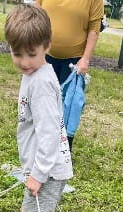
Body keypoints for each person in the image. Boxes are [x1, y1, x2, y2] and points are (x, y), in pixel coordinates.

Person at [2, 4, 73, 212]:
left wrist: (38, 175)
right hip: (42, 169)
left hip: (47, 171)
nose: (24, 61)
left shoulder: (42, 83)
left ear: (47, 46)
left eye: (31, 54)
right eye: (17, 54)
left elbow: (48, 135)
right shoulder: (35, 74)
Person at [36, 0, 103, 150]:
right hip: (45, 55)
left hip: (74, 61)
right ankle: (41, 143)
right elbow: (37, 14)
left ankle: (64, 148)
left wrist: (85, 58)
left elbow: (94, 28)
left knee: (69, 105)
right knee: (44, 100)